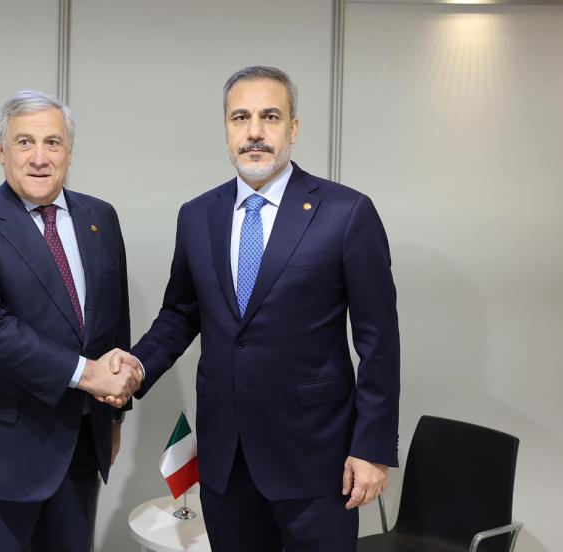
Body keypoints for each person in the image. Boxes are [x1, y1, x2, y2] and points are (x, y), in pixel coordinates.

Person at [110, 66, 400, 551]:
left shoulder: (346, 212)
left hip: (316, 460)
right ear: (226, 128)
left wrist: (372, 448)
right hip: (226, 461)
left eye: (270, 116)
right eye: (240, 117)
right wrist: (137, 366)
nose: (255, 132)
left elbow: (380, 342)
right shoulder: (197, 215)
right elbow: (181, 314)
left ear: (293, 128)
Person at [0, 90, 142, 552]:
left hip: (80, 449)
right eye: (24, 142)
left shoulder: (100, 217)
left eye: (53, 142)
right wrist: (87, 374)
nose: (39, 158)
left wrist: (113, 414)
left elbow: (114, 322)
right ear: (1, 151)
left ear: (69, 151)